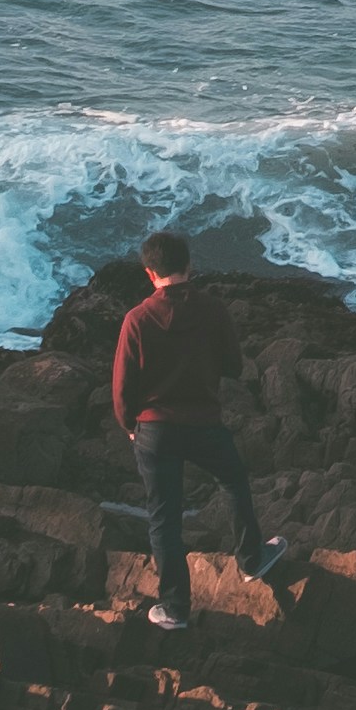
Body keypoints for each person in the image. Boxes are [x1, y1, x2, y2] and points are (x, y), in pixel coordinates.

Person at [111, 229, 286, 620]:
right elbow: (233, 366)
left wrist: (129, 425)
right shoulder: (212, 310)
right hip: (204, 423)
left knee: (164, 518)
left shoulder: (136, 319)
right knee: (234, 482)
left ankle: (175, 608)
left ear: (149, 274)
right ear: (189, 267)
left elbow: (122, 386)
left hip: (154, 430)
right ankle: (251, 559)